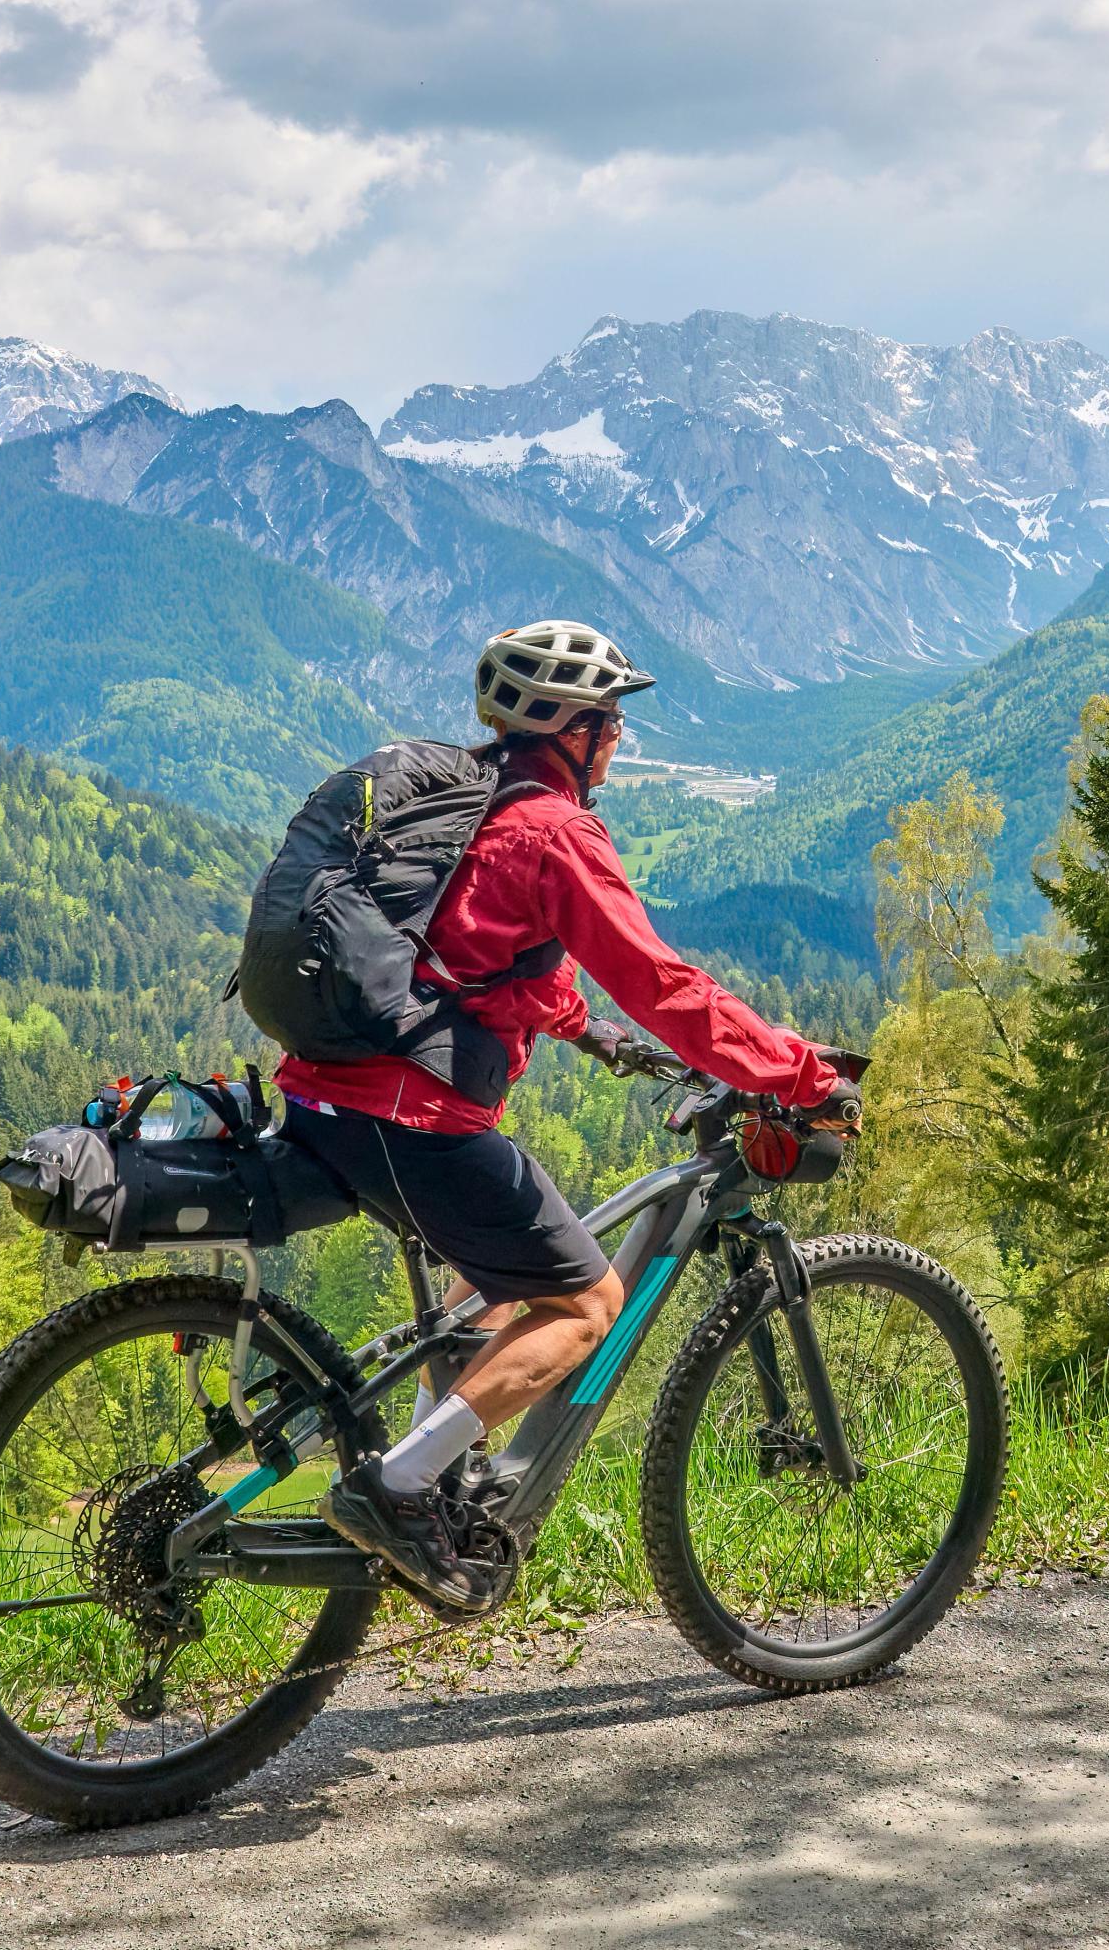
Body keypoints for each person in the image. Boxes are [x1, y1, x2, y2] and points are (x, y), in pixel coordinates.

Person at [284, 619, 856, 1615]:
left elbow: (474, 960)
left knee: (490, 1295)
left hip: (329, 1094)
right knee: (588, 1305)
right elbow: (665, 985)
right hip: (419, 1116)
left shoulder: (473, 806)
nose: (621, 739)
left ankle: (438, 1496)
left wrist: (589, 1035)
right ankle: (400, 1488)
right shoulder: (555, 831)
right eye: (611, 719)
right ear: (575, 729)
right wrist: (800, 1074)